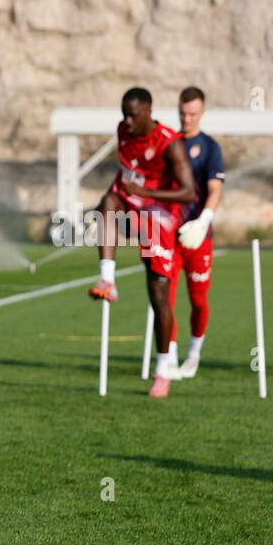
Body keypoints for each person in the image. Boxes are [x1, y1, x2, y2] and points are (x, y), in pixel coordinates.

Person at [87, 87, 197, 398]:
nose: (127, 121)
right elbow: (124, 176)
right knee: (109, 202)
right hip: (131, 204)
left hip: (160, 214)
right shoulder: (123, 131)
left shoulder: (170, 143)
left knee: (158, 295)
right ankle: (108, 280)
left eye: (133, 115)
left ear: (148, 111)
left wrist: (147, 193)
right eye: (124, 114)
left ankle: (163, 371)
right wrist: (108, 201)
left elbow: (189, 192)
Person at [172, 87, 225, 379]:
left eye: (192, 113)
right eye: (182, 112)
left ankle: (193, 354)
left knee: (198, 300)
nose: (186, 118)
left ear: (202, 113)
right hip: (168, 235)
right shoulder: (170, 143)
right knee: (164, 297)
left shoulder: (209, 147)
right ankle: (166, 355)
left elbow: (216, 189)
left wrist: (203, 220)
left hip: (198, 236)